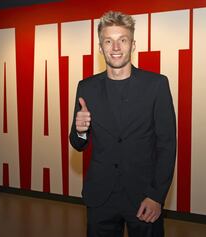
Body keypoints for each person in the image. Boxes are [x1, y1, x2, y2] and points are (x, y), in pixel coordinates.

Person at [69, 11, 176, 237]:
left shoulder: (156, 85)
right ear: (100, 47)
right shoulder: (86, 87)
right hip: (100, 198)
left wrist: (156, 196)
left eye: (122, 40)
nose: (115, 47)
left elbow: (167, 146)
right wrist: (80, 131)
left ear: (133, 44)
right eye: (108, 41)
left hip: (144, 197)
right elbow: (78, 144)